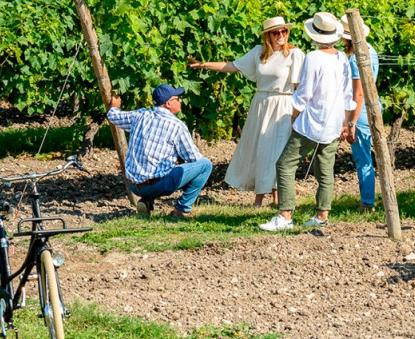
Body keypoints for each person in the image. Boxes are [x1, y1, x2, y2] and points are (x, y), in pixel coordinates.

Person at [189, 16, 305, 208]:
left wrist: (297, 115)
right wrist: (203, 65)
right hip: (260, 105)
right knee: (260, 150)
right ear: (268, 36)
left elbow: (299, 86)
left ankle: (277, 199)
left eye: (283, 31)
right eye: (276, 32)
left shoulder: (294, 54)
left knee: (277, 151)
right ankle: (259, 199)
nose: (280, 35)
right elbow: (233, 66)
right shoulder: (260, 53)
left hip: (283, 104)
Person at [259, 12, 356, 231]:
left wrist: (294, 117)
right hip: (333, 123)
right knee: (325, 169)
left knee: (284, 164)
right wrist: (345, 121)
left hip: (312, 123)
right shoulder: (342, 58)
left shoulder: (313, 57)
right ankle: (322, 215)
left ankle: (285, 216)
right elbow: (347, 94)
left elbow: (304, 93)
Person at [107, 84, 213, 218]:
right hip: (156, 185)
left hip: (133, 185)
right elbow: (194, 159)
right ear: (168, 103)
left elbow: (113, 116)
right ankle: (182, 209)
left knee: (156, 168)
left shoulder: (140, 115)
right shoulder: (177, 126)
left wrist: (114, 105)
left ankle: (146, 201)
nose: (180, 101)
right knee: (205, 165)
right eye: (177, 99)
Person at [340, 13, 379, 212]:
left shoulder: (356, 58)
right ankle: (368, 201)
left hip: (361, 114)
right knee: (367, 158)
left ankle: (367, 203)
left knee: (363, 158)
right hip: (372, 109)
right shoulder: (371, 50)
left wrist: (350, 122)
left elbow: (359, 93)